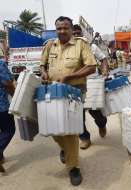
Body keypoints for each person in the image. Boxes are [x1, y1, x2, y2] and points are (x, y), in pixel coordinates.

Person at [40, 16, 97, 186]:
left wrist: (69, 76)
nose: (62, 31)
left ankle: (73, 168)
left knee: (71, 130)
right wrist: (43, 72)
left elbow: (91, 67)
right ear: (55, 29)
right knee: (53, 128)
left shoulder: (81, 44)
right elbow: (42, 64)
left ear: (71, 29)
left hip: (74, 92)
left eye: (65, 28)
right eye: (59, 28)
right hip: (52, 91)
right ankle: (65, 149)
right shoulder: (50, 45)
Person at [72, 24, 108, 149]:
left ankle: (102, 125)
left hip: (91, 83)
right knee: (76, 115)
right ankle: (85, 138)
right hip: (74, 86)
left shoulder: (91, 47)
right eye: (74, 33)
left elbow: (103, 59)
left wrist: (104, 71)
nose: (76, 35)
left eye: (78, 33)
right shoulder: (66, 49)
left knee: (96, 112)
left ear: (81, 34)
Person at [0, 60, 15, 173]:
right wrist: (15, 96)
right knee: (9, 130)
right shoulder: (0, 64)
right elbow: (8, 83)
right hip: (1, 106)